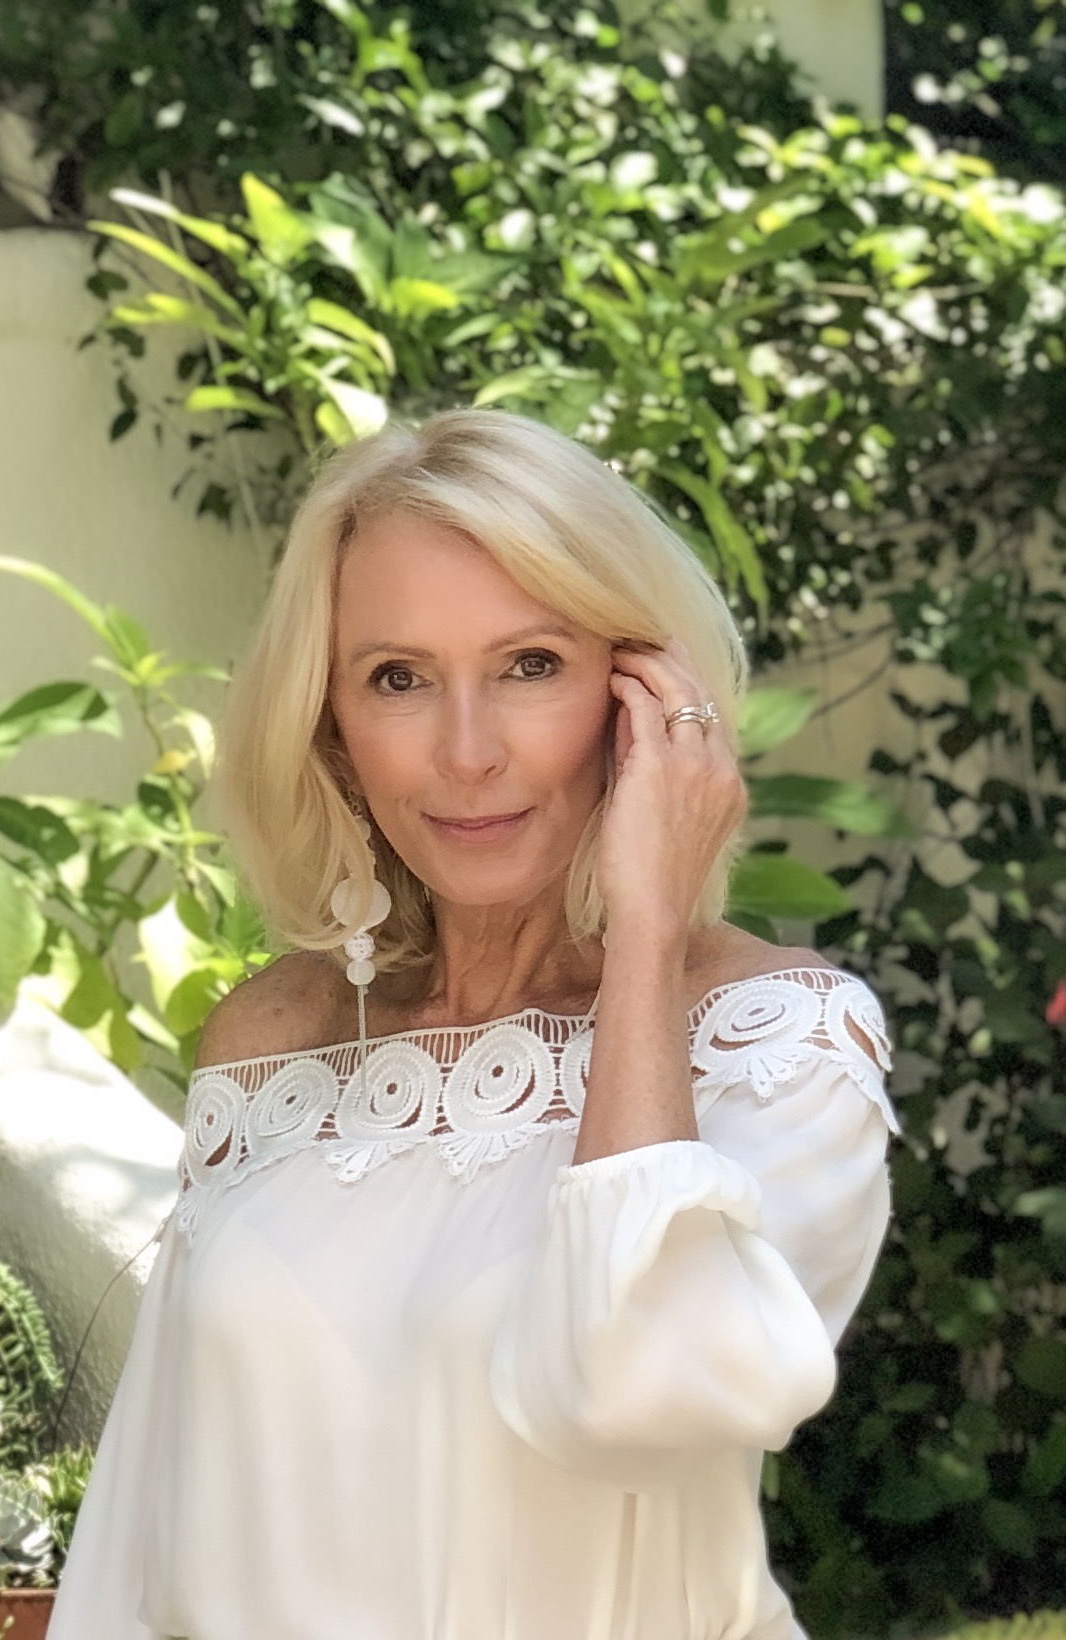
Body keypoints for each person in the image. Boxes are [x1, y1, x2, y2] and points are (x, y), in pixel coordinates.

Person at [47, 407, 900, 1640]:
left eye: (531, 665)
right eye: (399, 677)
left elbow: (635, 1397)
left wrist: (647, 937)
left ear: (642, 695)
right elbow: (138, 1541)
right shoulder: (269, 1045)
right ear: (332, 726)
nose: (466, 752)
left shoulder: (776, 1042)